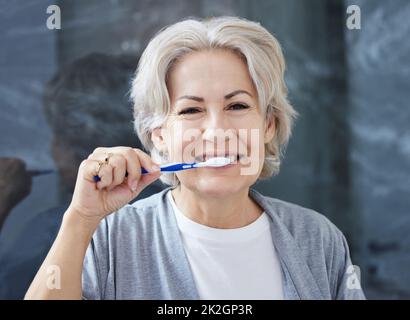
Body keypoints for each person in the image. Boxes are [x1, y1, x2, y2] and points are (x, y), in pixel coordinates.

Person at [25, 16, 365, 300]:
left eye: (237, 106)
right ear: (159, 134)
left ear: (268, 125)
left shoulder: (318, 239)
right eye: (191, 110)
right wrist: (81, 217)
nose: (216, 131)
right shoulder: (109, 240)